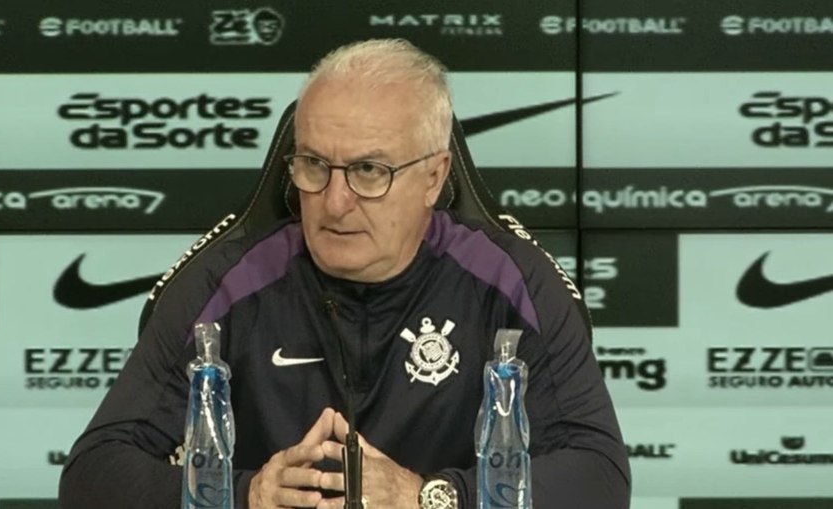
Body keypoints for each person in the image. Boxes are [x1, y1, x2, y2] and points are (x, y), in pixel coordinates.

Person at [59, 38, 631, 509]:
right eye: (314, 165)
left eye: (368, 170)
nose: (334, 202)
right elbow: (92, 474)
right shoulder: (225, 282)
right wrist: (245, 496)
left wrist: (431, 498)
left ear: (434, 178)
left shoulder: (512, 282)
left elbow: (600, 476)